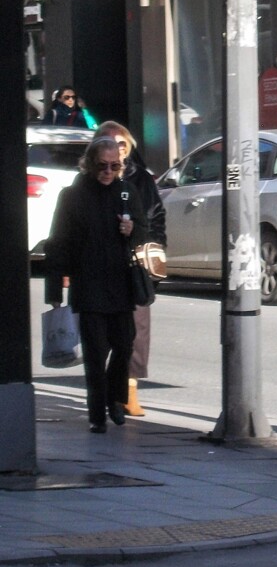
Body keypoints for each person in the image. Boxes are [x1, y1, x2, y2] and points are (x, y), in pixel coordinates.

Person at [44, 137, 148, 433]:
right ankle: (97, 414)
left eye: (115, 166)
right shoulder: (72, 196)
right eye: (103, 166)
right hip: (88, 284)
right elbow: (58, 242)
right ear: (90, 164)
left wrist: (132, 229)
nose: (108, 172)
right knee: (95, 352)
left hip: (120, 283)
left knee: (124, 345)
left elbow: (143, 230)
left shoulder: (126, 192)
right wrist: (54, 291)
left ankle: (115, 398)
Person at [95, 121, 167, 417]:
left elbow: (156, 217)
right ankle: (102, 395)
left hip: (134, 264)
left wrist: (153, 248)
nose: (117, 150)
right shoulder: (88, 182)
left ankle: (129, 390)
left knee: (137, 331)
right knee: (101, 334)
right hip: (100, 268)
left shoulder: (141, 179)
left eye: (122, 144)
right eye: (110, 143)